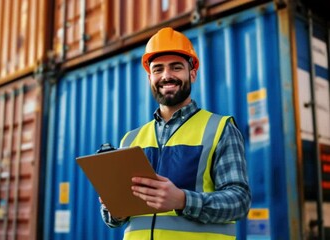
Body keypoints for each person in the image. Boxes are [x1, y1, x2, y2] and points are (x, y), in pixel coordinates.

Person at [99, 27, 251, 240]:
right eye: (158, 69)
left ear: (193, 74)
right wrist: (113, 205)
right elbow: (113, 220)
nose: (166, 76)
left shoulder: (219, 129)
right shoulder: (131, 139)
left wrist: (182, 200)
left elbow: (239, 202)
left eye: (176, 67)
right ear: (149, 78)